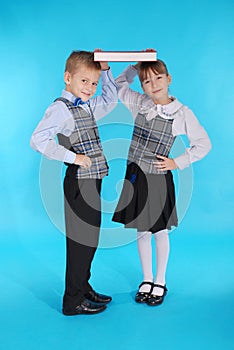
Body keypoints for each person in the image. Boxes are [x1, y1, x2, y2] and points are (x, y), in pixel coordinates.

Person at [112, 51, 211, 306]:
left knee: (159, 231)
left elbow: (203, 144)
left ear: (169, 79)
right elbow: (119, 85)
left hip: (157, 179)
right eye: (146, 81)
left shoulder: (181, 113)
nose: (152, 85)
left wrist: (176, 163)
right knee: (141, 230)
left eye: (157, 78)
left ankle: (161, 280)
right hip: (135, 176)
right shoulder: (140, 103)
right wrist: (134, 66)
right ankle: (146, 279)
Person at [30, 50, 118, 315]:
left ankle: (83, 286)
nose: (90, 88)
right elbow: (37, 140)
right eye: (84, 81)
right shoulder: (60, 108)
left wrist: (106, 71)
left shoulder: (87, 104)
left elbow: (111, 100)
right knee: (80, 242)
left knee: (90, 240)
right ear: (68, 78)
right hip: (79, 183)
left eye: (93, 82)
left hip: (93, 181)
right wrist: (73, 157)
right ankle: (72, 301)